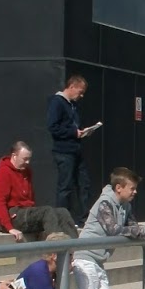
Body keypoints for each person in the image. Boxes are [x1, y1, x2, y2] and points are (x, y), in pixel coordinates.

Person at [0, 141, 80, 242]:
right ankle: (55, 249)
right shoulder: (3, 173)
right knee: (47, 211)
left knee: (62, 212)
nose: (28, 162)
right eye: (25, 159)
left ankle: (75, 248)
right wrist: (9, 227)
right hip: (14, 215)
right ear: (14, 156)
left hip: (27, 212)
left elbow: (30, 198)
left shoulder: (26, 171)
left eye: (29, 159)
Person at [47, 73, 98, 218]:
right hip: (64, 151)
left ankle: (83, 216)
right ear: (71, 86)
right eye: (80, 92)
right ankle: (63, 219)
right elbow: (53, 127)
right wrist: (73, 132)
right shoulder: (57, 102)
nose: (81, 96)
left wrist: (84, 132)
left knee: (84, 183)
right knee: (65, 186)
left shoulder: (73, 105)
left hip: (76, 149)